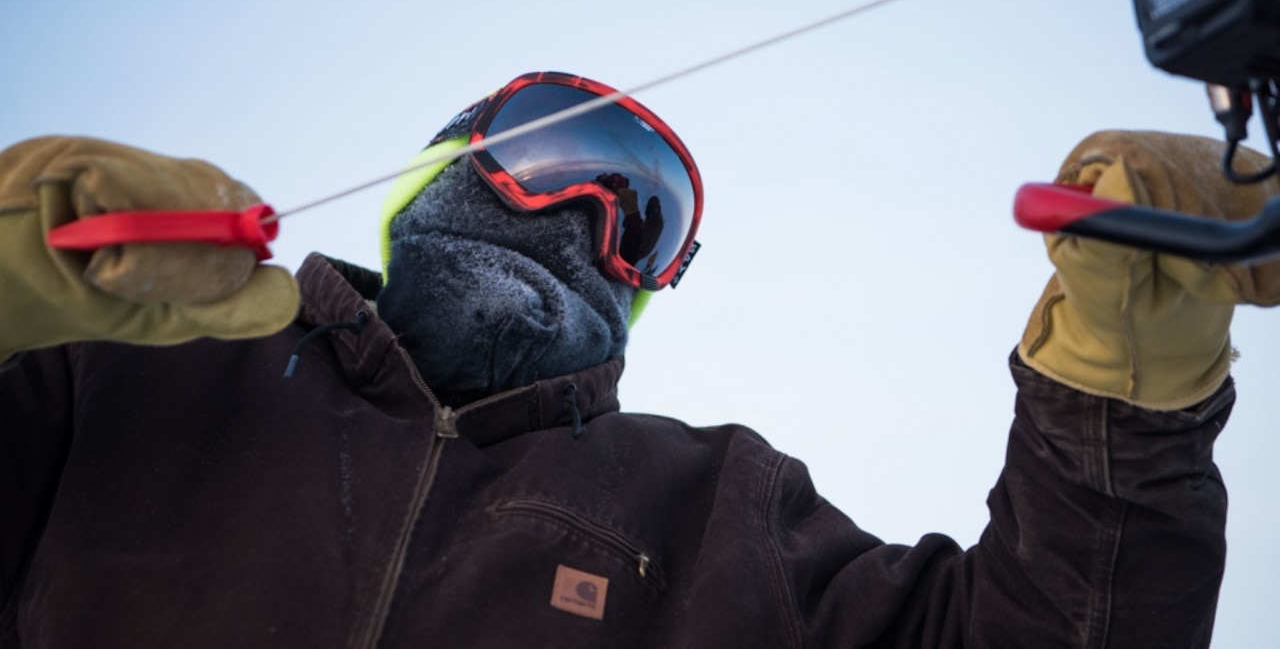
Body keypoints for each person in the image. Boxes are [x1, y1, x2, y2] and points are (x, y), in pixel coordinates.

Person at [1, 70, 1278, 648]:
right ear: (433, 175)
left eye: (643, 217)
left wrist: (1121, 390)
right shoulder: (117, 380)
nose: (585, 220)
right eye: (549, 161)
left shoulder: (721, 517)